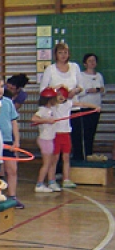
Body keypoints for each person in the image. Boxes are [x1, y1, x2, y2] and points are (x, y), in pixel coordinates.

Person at [40, 42, 84, 187]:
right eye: (60, 52)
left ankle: (66, 177)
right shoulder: (50, 70)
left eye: (65, 52)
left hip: (71, 109)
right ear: (55, 54)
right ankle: (52, 178)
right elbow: (43, 90)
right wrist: (56, 91)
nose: (63, 55)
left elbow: (81, 87)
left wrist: (73, 92)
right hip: (55, 112)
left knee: (68, 149)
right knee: (54, 151)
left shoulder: (75, 67)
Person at [0, 76, 23, 208]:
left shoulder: (8, 102)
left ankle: (12, 196)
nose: (0, 90)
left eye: (2, 87)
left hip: (7, 140)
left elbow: (13, 122)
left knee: (12, 169)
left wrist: (16, 141)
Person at [73, 53, 105, 161]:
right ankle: (81, 157)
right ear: (85, 63)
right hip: (84, 108)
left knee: (91, 133)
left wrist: (99, 90)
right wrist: (88, 90)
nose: (92, 62)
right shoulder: (81, 76)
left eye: (94, 61)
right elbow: (79, 92)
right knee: (83, 133)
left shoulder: (99, 76)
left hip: (96, 108)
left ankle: (89, 155)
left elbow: (102, 91)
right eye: (90, 60)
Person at [32, 88, 60, 193]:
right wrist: (47, 120)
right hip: (45, 140)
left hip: (50, 139)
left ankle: (51, 181)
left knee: (52, 162)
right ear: (50, 99)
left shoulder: (51, 109)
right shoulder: (42, 110)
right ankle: (39, 184)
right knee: (47, 163)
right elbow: (34, 119)